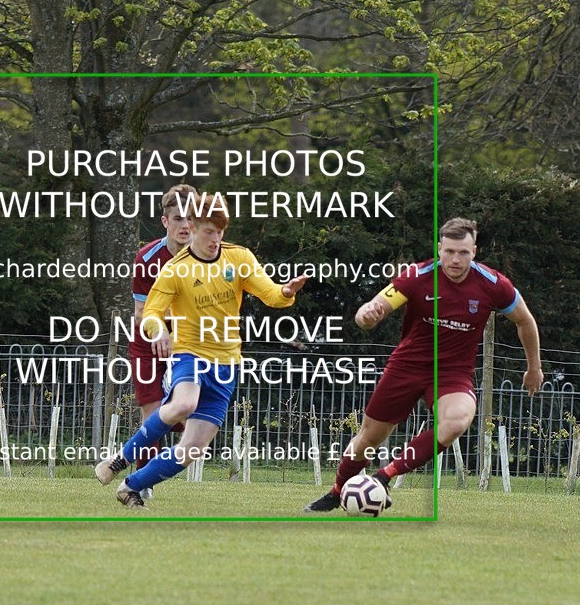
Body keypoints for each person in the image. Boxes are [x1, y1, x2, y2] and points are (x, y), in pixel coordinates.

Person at [304, 217, 543, 512]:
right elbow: (372, 309)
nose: (456, 259)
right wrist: (366, 314)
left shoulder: (494, 284)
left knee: (456, 421)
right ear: (439, 248)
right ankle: (337, 490)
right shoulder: (416, 276)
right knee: (369, 438)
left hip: (453, 373)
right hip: (406, 366)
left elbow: (525, 320)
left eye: (464, 253)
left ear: (475, 251)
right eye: (450, 252)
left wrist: (534, 368)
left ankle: (383, 477)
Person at [96, 193, 309, 508]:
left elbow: (269, 293)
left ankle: (132, 486)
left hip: (226, 364)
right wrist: (161, 332)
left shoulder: (239, 258)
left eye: (220, 232)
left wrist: (285, 292)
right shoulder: (175, 269)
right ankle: (120, 458)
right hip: (189, 355)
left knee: (192, 449)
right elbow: (150, 314)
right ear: (193, 228)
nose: (216, 239)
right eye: (209, 231)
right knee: (183, 403)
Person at [129, 184, 195, 499]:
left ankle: (178, 422)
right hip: (147, 341)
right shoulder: (147, 257)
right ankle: (141, 486)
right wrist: (161, 331)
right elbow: (141, 312)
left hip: (190, 342)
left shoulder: (209, 257)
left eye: (192, 219)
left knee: (184, 416)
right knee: (153, 413)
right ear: (165, 221)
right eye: (178, 218)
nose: (186, 225)